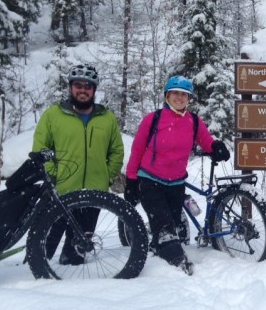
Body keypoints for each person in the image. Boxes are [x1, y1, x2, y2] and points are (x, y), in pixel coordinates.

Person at [123, 75, 230, 275]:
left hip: (177, 183)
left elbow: (206, 140)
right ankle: (176, 261)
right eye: (175, 93)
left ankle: (159, 250)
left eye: (184, 95)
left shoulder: (193, 121)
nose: (179, 98)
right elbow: (137, 150)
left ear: (189, 98)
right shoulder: (153, 119)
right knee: (163, 224)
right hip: (150, 179)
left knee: (172, 222)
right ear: (167, 95)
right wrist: (131, 180)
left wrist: (216, 146)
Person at [32, 63, 125, 265]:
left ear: (94, 89)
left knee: (80, 243)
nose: (83, 90)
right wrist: (53, 174)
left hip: (95, 189)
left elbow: (116, 150)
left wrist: (107, 174)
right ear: (70, 87)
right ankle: (36, 275)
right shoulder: (53, 115)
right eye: (78, 85)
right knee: (46, 240)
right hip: (62, 189)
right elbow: (41, 149)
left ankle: (73, 276)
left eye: (88, 86)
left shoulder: (106, 118)